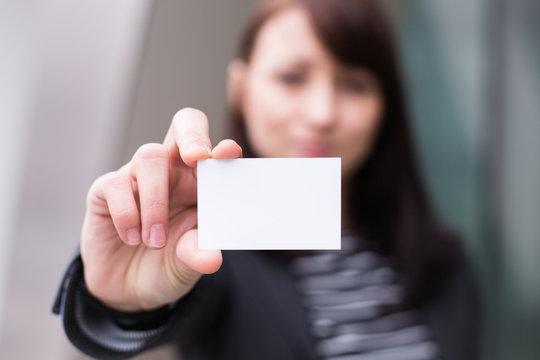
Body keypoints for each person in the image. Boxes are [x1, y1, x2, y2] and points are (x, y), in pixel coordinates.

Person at [53, 0, 481, 359]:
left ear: (386, 104)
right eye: (291, 78)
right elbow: (151, 309)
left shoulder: (443, 263)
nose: (322, 114)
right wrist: (123, 301)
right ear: (240, 88)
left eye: (354, 83)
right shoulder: (209, 246)